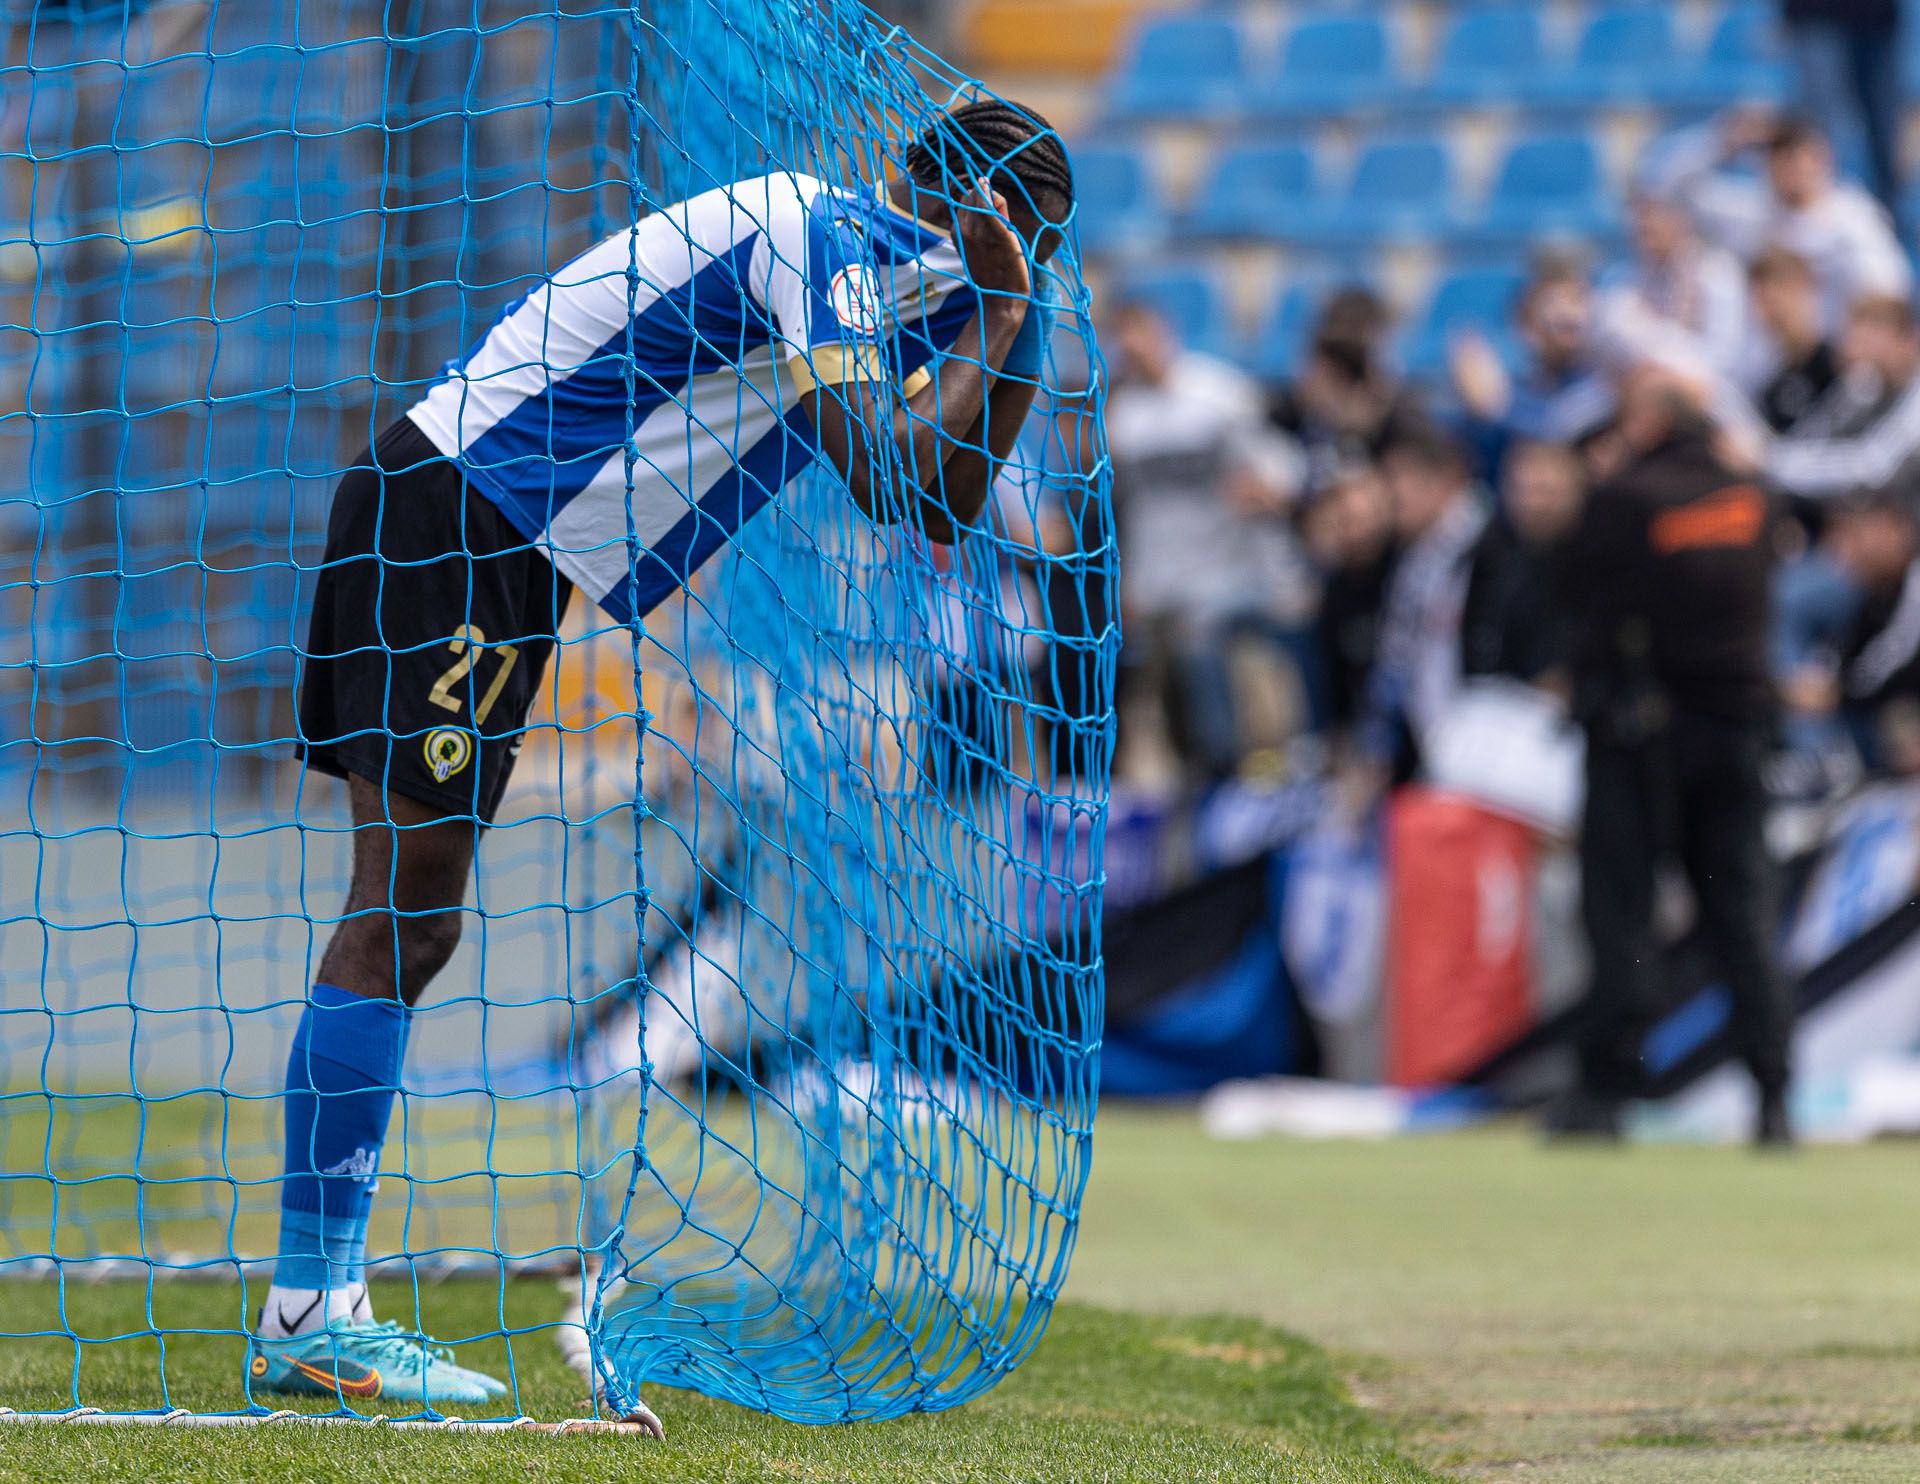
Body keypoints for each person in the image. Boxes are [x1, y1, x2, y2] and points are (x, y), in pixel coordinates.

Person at [256, 99, 1074, 1415]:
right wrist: (995, 299)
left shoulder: (922, 297)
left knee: (413, 919)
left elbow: (948, 498)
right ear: (906, 174)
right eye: (951, 197)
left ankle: (310, 1309)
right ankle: (310, 1311)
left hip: (516, 553)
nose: (951, 227)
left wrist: (1007, 314)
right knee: (405, 912)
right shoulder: (817, 232)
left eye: (1000, 225)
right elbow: (883, 476)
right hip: (457, 510)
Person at [1553, 370, 1792, 1146]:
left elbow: (1581, 598)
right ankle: (1773, 1090)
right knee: (1739, 912)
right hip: (1738, 730)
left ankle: (1609, 1091)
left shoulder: (1627, 498)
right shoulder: (1751, 495)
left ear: (1650, 422)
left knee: (1621, 911)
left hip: (1642, 732)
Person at [1105, 296, 1308, 781]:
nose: (1133, 352)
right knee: (1171, 707)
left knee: (1224, 692)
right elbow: (1130, 512)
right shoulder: (1122, 418)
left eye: (1140, 338)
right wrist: (1130, 580)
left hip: (1229, 577)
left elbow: (1283, 472)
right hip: (1162, 587)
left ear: (1165, 334)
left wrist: (1268, 494)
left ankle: (1235, 781)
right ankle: (1199, 787)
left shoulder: (1219, 395)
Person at [1647, 110, 1909, 338]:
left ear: (1823, 158)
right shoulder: (1751, 214)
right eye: (1780, 156)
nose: (1793, 168)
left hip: (1832, 362)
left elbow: (1888, 295)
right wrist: (1724, 140)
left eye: (1800, 155)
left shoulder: (1855, 220)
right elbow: (1667, 188)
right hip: (1762, 367)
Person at [1352, 420, 1488, 787]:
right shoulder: (1413, 558)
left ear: (1443, 479)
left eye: (1399, 478)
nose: (1389, 494)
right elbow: (1396, 661)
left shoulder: (1490, 547)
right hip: (1433, 740)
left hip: (1488, 740)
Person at [1770, 293, 1920, 499]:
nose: (1855, 344)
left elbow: (1872, 468)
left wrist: (1770, 462)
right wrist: (1770, 455)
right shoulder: (1864, 384)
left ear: (1905, 340)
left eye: (1870, 336)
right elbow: (1810, 437)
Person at [1459, 440, 1583, 688]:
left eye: (1545, 491)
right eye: (1522, 491)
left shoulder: (1598, 562)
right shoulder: (1492, 558)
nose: (1533, 505)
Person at [1781, 0, 1905, 229]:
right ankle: (1825, 223)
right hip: (1815, 15)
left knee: (1884, 134)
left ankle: (1885, 225)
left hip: (1877, 18)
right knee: (1825, 127)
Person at [1746, 246, 1840, 434]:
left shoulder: (1839, 365)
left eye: (1784, 292)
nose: (1774, 310)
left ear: (1808, 291)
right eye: (1764, 300)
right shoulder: (1768, 381)